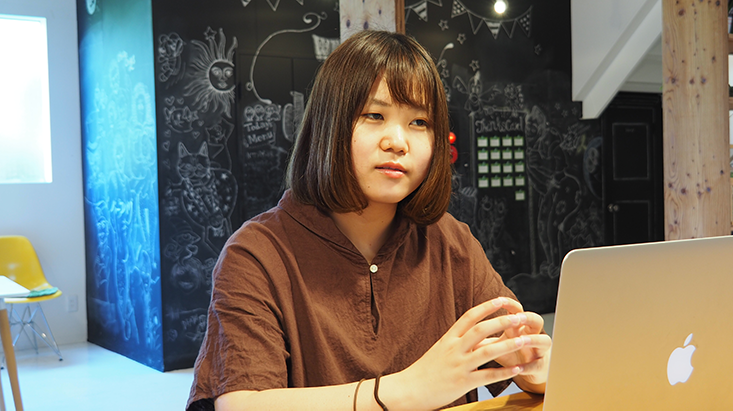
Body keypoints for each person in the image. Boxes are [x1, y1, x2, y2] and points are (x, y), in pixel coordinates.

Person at [186, 30, 551, 411]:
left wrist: (533, 365)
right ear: (328, 125)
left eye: (419, 122)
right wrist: (409, 389)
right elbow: (241, 404)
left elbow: (527, 365)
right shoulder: (256, 254)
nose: (397, 142)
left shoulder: (450, 241)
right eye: (375, 116)